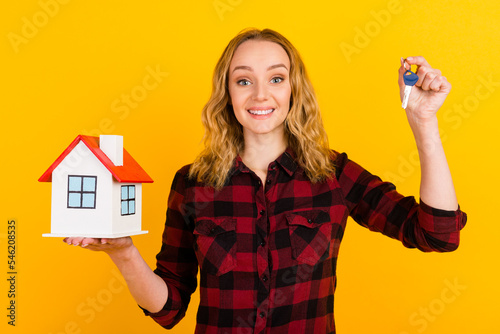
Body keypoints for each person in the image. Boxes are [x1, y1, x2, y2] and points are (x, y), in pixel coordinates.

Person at [64, 28, 467, 333]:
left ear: (294, 89)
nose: (260, 94)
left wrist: (423, 122)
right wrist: (122, 252)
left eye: (276, 78)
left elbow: (438, 234)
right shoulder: (193, 183)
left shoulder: (333, 175)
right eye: (244, 80)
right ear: (227, 92)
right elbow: (168, 309)